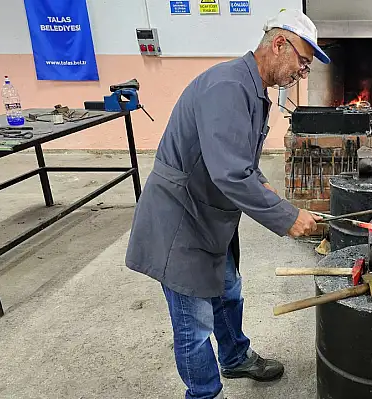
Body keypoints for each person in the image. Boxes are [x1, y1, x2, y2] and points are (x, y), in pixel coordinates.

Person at [124, 9, 327, 399]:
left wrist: (276, 199)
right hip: (180, 219)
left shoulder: (252, 89)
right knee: (194, 325)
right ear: (279, 43)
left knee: (228, 291)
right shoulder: (228, 87)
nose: (302, 73)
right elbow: (230, 174)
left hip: (210, 216)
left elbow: (244, 165)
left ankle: (234, 358)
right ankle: (204, 393)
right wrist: (286, 218)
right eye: (302, 62)